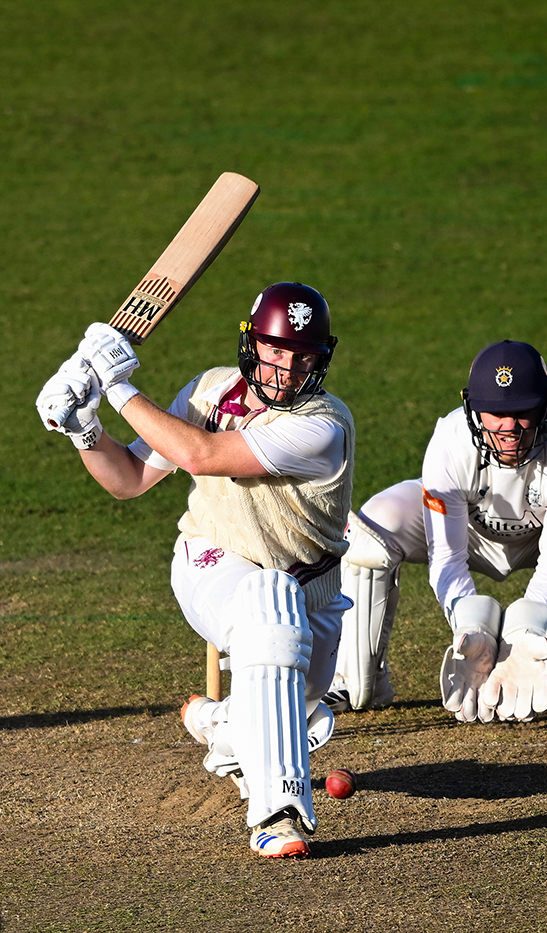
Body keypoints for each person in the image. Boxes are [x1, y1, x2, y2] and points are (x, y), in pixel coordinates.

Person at [34, 283, 354, 858]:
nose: (286, 368)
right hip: (212, 562)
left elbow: (202, 455)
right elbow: (128, 479)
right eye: (275, 350)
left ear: (320, 359)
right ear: (251, 344)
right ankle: (278, 812)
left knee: (298, 715)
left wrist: (115, 386)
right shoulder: (209, 391)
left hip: (317, 593)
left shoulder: (323, 425)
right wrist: (85, 429)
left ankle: (218, 724)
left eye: (302, 356)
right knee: (269, 606)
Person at [326, 339, 547, 723]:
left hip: (544, 539)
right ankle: (355, 679)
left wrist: (526, 633)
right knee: (372, 527)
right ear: (473, 409)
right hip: (468, 534)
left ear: (545, 405)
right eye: (495, 413)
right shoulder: (450, 443)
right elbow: (448, 557)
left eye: (523, 412)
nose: (510, 428)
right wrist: (471, 627)